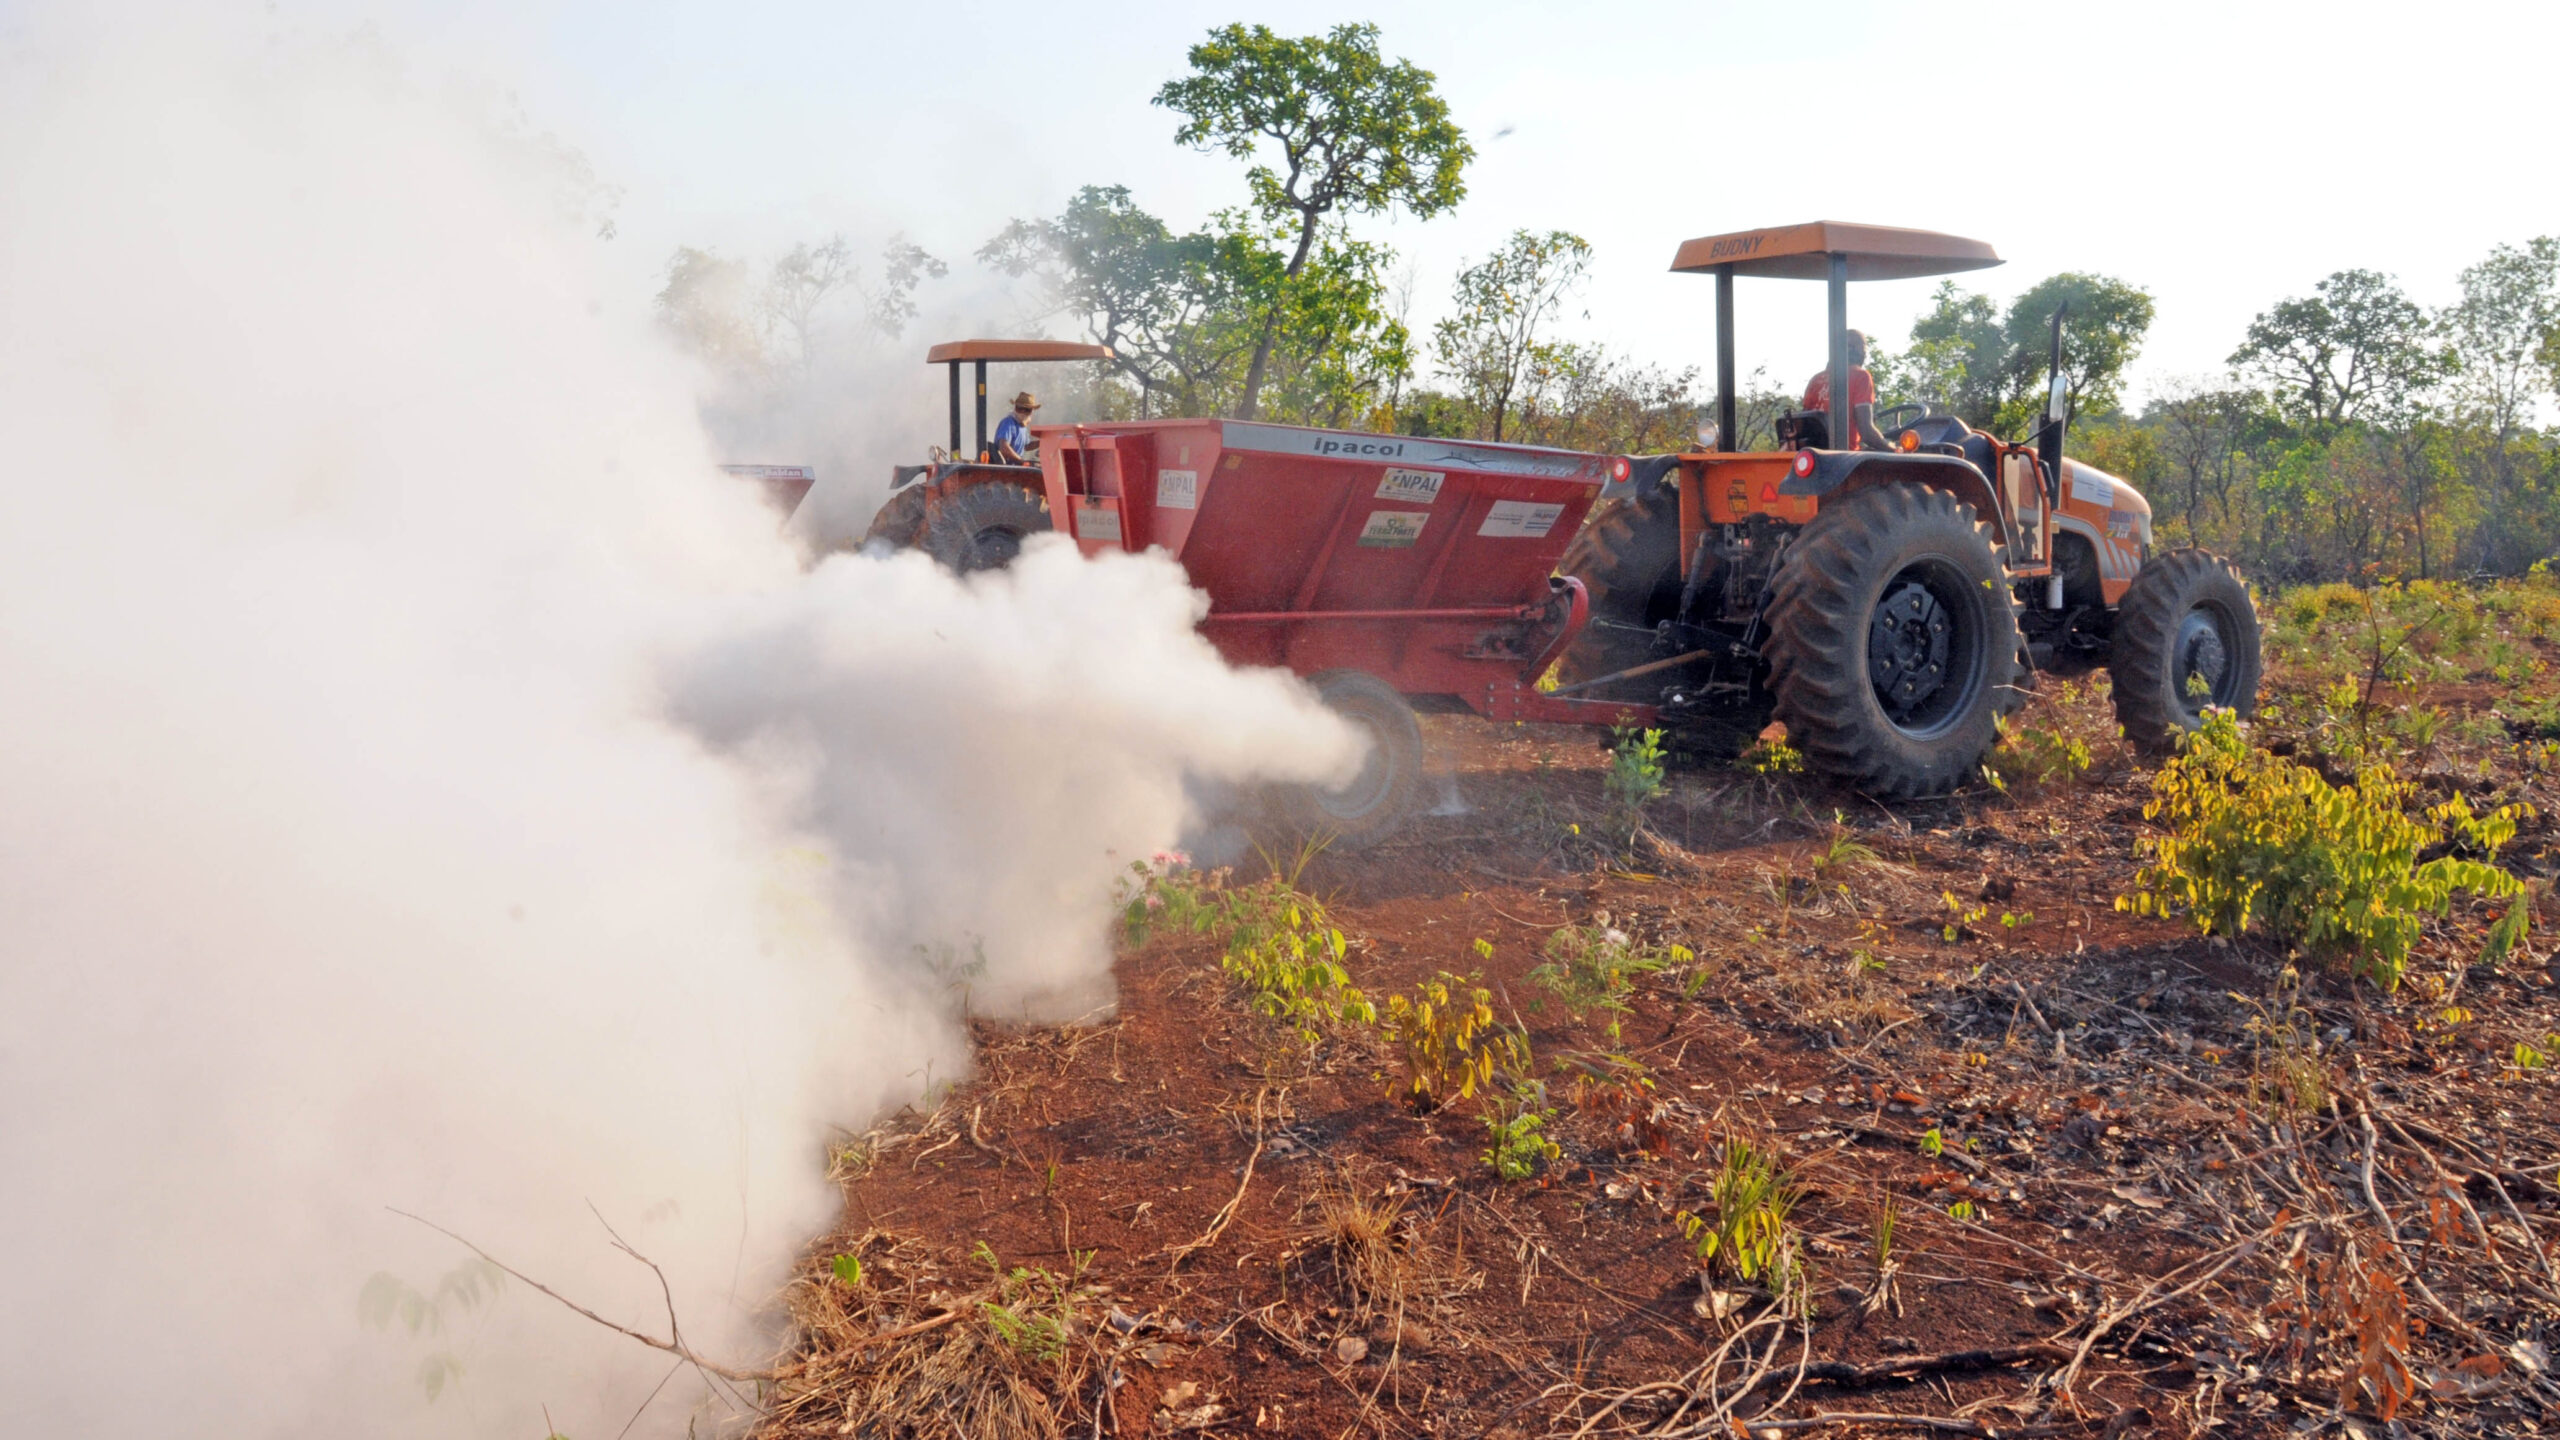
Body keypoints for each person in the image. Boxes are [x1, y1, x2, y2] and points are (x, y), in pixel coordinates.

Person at [1802, 330, 1891, 451]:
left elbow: (1802, 426)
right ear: (1857, 350)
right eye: (1863, 350)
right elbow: (1866, 432)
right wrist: (1893, 448)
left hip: (1815, 456)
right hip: (1844, 458)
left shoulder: (1816, 380)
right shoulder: (1861, 376)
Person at [991, 391, 1040, 464]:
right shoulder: (1008, 423)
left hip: (1015, 466)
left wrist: (1042, 443)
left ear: (1031, 411)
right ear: (1015, 408)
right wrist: (1021, 461)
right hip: (1005, 468)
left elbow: (1026, 446)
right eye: (1020, 408)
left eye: (1026, 410)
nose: (1022, 412)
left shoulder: (1023, 427)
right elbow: (1004, 447)